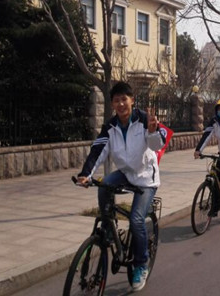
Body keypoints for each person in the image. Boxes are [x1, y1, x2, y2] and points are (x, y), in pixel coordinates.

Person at [77, 81, 165, 292]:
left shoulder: (144, 120)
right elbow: (97, 151)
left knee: (136, 219)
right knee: (105, 184)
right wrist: (86, 174)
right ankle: (108, 228)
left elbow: (158, 145)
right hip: (125, 174)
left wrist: (153, 131)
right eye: (116, 100)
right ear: (112, 104)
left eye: (124, 99)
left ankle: (141, 264)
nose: (121, 104)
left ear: (132, 100)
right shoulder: (110, 127)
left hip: (146, 178)